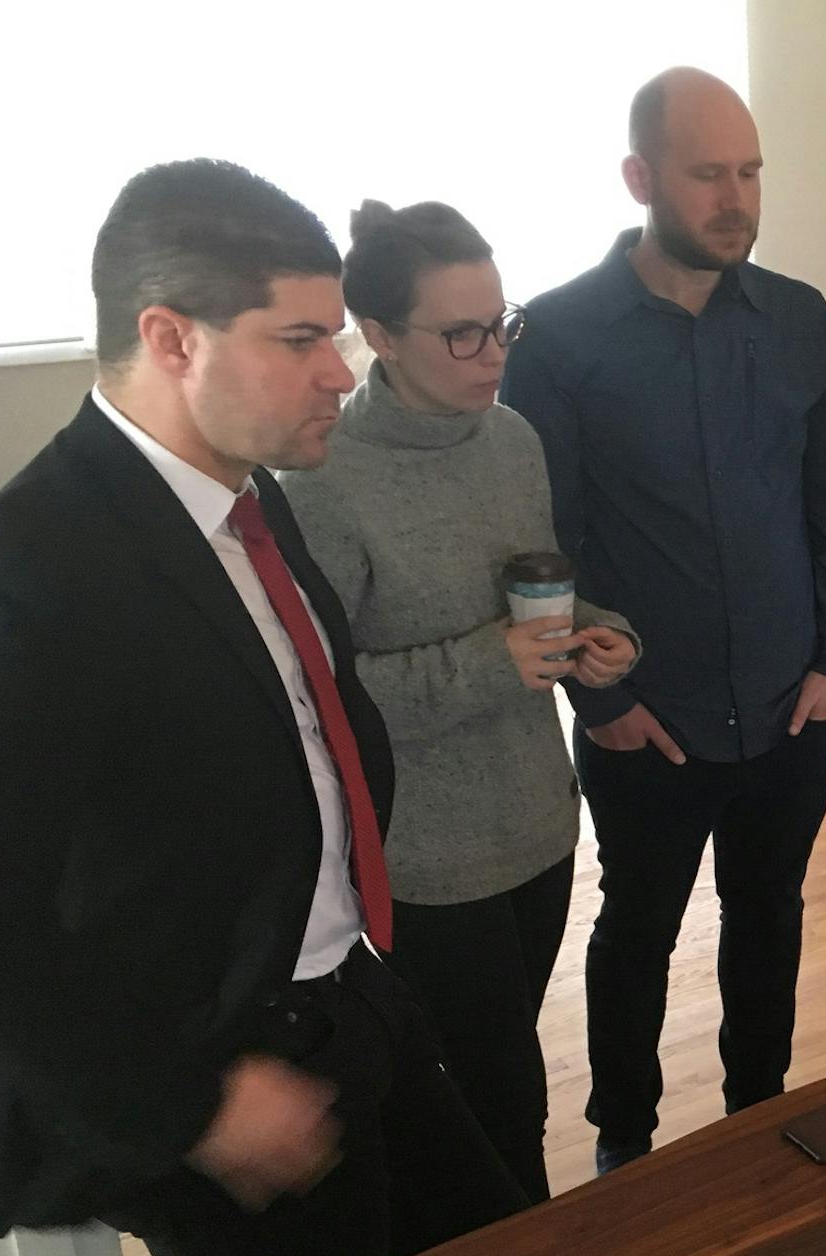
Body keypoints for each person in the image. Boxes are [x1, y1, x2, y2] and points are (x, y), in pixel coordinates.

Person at [0, 160, 523, 1256]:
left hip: (352, 995)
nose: (342, 369)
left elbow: (302, 742)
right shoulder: (24, 586)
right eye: (302, 338)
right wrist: (195, 1101)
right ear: (170, 338)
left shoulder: (252, 504)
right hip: (219, 1072)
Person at [501, 67, 826, 1173]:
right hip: (646, 723)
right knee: (638, 931)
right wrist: (600, 698)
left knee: (769, 917)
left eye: (750, 171)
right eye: (709, 173)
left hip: (792, 705)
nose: (737, 197)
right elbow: (540, 544)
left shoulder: (800, 320)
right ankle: (627, 1138)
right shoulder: (560, 339)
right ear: (639, 178)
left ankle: (760, 1115)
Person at [282, 200, 640, 1203]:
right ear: (381, 336)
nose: (493, 354)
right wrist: (492, 663)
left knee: (502, 1065)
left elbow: (538, 598)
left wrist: (602, 637)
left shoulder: (512, 438)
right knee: (495, 1098)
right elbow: (320, 701)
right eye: (462, 333)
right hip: (429, 865)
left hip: (539, 826)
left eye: (502, 322)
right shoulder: (323, 481)